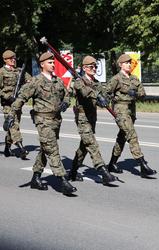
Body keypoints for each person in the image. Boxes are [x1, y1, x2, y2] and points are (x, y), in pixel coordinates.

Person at [6, 52, 76, 195]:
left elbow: (67, 95)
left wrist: (65, 104)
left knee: (45, 149)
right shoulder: (35, 81)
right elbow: (20, 98)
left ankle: (35, 178)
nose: (52, 64)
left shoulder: (57, 80)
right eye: (49, 62)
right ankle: (62, 180)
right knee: (52, 149)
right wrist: (10, 116)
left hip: (56, 120)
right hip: (42, 120)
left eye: (53, 62)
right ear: (42, 64)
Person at [104, 53, 157, 178]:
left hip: (131, 110)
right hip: (120, 109)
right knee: (131, 135)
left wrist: (136, 94)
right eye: (126, 63)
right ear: (120, 65)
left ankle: (112, 163)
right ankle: (142, 164)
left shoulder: (134, 78)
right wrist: (111, 99)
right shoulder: (116, 79)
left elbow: (143, 93)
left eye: (130, 63)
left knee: (122, 137)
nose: (129, 65)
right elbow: (106, 92)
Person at [68, 55, 118, 185]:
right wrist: (98, 97)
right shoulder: (79, 81)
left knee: (84, 147)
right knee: (91, 144)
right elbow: (86, 92)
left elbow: (104, 93)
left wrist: (109, 97)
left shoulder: (96, 82)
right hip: (82, 118)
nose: (94, 68)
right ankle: (104, 172)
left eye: (95, 66)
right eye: (91, 66)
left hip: (92, 118)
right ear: (84, 68)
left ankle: (72, 172)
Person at [0, 50, 31, 159]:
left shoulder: (19, 71)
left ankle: (7, 149)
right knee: (13, 124)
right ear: (5, 60)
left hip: (18, 103)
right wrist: (7, 97)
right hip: (8, 104)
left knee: (12, 126)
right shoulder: (1, 72)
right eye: (10, 58)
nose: (13, 60)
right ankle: (21, 148)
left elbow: (31, 81)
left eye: (14, 58)